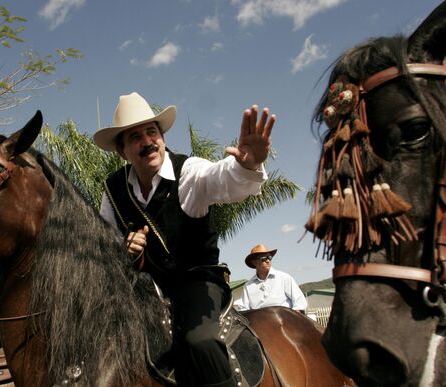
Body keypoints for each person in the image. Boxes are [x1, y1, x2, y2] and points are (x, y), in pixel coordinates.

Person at [93, 92, 275, 387]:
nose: (147, 141)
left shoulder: (188, 171)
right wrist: (124, 248)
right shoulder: (113, 190)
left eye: (152, 132)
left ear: (162, 137)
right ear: (122, 151)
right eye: (135, 137)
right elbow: (104, 245)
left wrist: (248, 166)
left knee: (199, 340)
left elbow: (222, 178)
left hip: (198, 281)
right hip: (144, 290)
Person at [233, 244, 307, 312]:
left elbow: (300, 303)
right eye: (263, 258)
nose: (268, 261)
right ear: (254, 262)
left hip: (285, 321)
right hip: (259, 323)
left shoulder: (284, 278)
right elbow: (244, 309)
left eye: (269, 258)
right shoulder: (248, 286)